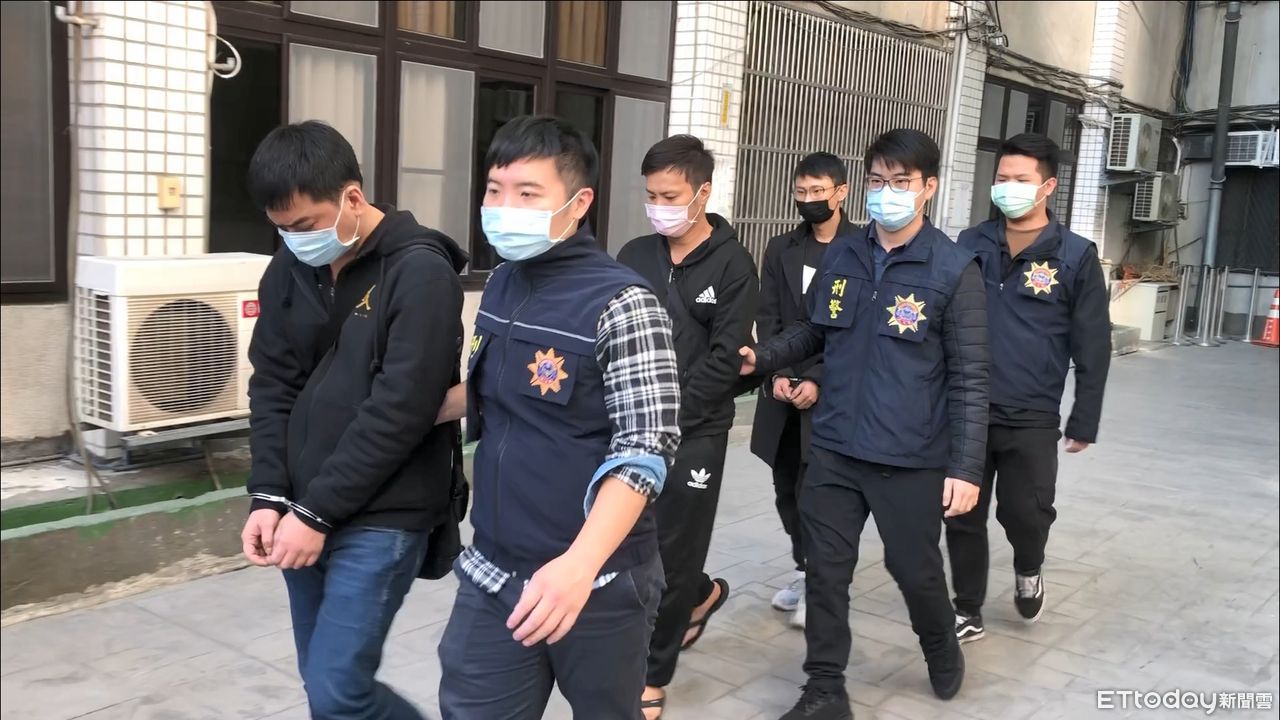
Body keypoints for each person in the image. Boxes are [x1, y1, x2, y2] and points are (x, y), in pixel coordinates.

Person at [435, 115, 681, 719]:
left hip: (595, 580)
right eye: (495, 190)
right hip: (495, 568)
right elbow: (489, 392)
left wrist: (580, 564)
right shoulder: (501, 282)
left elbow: (646, 448)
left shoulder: (624, 303)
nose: (503, 208)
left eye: (527, 193)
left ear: (579, 202)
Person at [739, 129, 990, 720]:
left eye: (901, 182)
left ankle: (940, 644)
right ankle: (825, 688)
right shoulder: (845, 254)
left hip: (908, 457)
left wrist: (965, 467)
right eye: (878, 181)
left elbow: (972, 378)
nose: (887, 193)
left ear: (928, 188)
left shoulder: (953, 270)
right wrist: (763, 357)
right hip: (833, 446)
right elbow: (815, 329)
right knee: (826, 572)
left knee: (914, 570)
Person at [240, 120, 468, 719]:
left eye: (305, 225)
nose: (295, 240)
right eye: (282, 229)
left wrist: (316, 513)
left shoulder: (420, 272)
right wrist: (269, 494)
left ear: (353, 198)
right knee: (322, 687)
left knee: (340, 688)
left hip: (385, 513)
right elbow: (273, 386)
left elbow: (402, 409)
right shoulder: (288, 270)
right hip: (300, 510)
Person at [945, 133, 1111, 642]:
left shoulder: (1075, 255)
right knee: (961, 513)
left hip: (1031, 413)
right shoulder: (970, 243)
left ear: (1048, 186)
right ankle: (967, 608)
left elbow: (1093, 344)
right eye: (1002, 178)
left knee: (1026, 512)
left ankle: (1029, 566)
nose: (1008, 187)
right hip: (966, 407)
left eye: (1021, 180)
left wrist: (1083, 419)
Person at [616, 135, 759, 717]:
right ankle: (701, 595)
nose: (658, 207)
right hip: (628, 426)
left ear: (702, 193)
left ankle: (652, 674)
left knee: (673, 552)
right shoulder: (634, 255)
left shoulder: (733, 264)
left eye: (670, 196)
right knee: (629, 540)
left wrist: (667, 417)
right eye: (651, 195)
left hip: (695, 432)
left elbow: (725, 359)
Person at [750, 152, 854, 630]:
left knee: (821, 494)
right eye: (801, 192)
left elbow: (854, 331)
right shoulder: (781, 248)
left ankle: (821, 583)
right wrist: (778, 373)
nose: (808, 199)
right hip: (782, 388)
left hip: (833, 394)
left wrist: (818, 378)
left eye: (818, 191)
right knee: (786, 488)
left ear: (841, 192)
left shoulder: (862, 249)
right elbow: (770, 316)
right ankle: (804, 567)